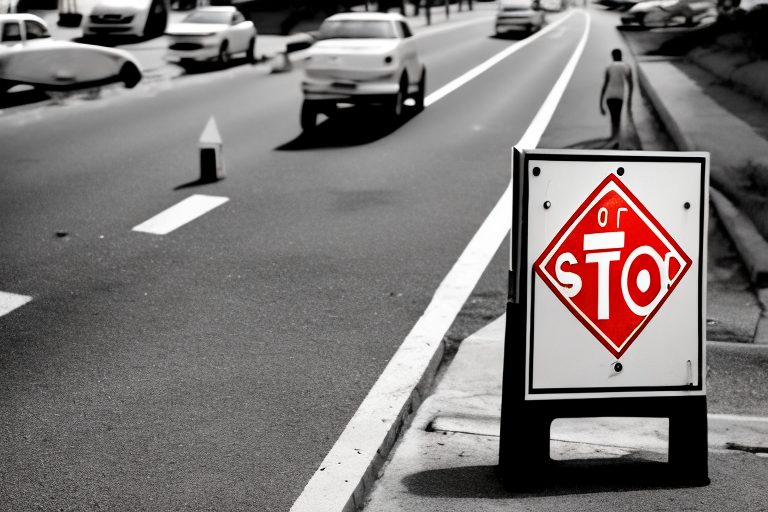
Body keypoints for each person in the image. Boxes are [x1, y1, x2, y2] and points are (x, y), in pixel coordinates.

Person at [599, 48, 633, 148]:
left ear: (612, 56)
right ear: (621, 55)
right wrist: (629, 100)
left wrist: (601, 104)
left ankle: (613, 137)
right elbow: (631, 84)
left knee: (613, 117)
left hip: (609, 95)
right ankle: (616, 139)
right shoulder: (626, 67)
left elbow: (604, 85)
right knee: (617, 117)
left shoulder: (609, 67)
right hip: (619, 95)